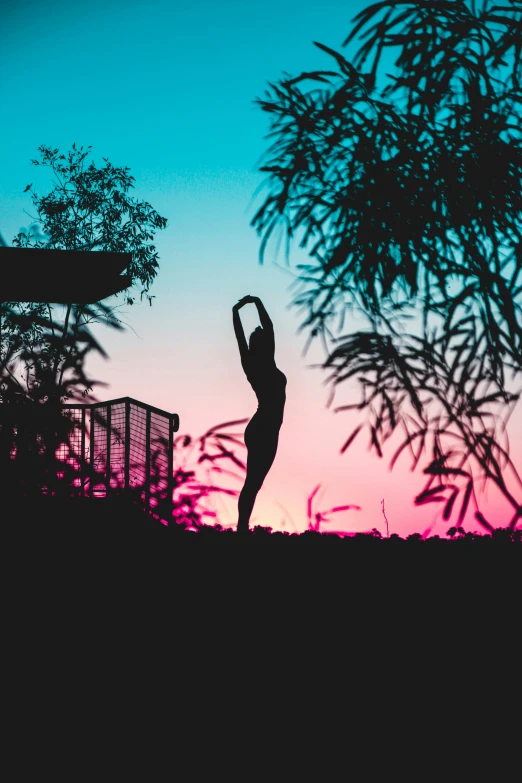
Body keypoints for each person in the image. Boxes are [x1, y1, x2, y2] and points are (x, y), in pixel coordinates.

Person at [232, 295, 287, 533]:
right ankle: (241, 528)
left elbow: (261, 331)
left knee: (253, 484)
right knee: (252, 483)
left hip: (262, 428)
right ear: (263, 344)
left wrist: (238, 310)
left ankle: (242, 526)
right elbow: (266, 328)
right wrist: (253, 302)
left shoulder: (253, 362)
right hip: (264, 427)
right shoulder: (262, 362)